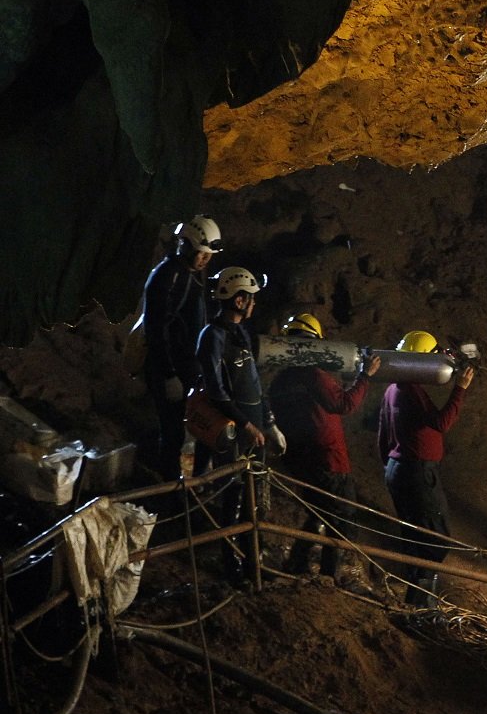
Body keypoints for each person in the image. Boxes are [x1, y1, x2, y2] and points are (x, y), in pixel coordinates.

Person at [267, 313, 380, 585]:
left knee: (318, 512)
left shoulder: (281, 380)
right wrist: (364, 377)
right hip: (329, 459)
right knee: (341, 518)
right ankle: (328, 575)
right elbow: (344, 405)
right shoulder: (313, 375)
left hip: (301, 460)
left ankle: (297, 562)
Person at [194, 266, 282, 581]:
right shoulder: (213, 336)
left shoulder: (240, 333)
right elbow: (216, 391)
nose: (255, 304)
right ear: (240, 300)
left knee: (253, 499)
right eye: (252, 299)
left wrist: (268, 422)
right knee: (231, 498)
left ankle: (252, 564)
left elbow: (255, 383)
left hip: (253, 427)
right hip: (234, 431)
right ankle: (232, 568)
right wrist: (247, 425)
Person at [377, 330, 474, 605]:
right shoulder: (411, 390)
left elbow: (382, 436)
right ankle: (423, 604)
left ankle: (414, 600)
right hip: (417, 472)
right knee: (435, 539)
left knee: (414, 537)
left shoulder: (392, 389)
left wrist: (391, 468)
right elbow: (441, 423)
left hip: (398, 469)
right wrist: (461, 389)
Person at [140, 215, 221, 479]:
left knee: (195, 427)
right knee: (172, 431)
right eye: (201, 254)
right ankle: (169, 492)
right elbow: (156, 329)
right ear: (185, 245)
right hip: (169, 366)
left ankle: (191, 482)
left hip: (188, 366)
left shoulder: (191, 275)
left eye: (209, 255)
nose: (205, 260)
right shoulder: (166, 276)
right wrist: (168, 374)